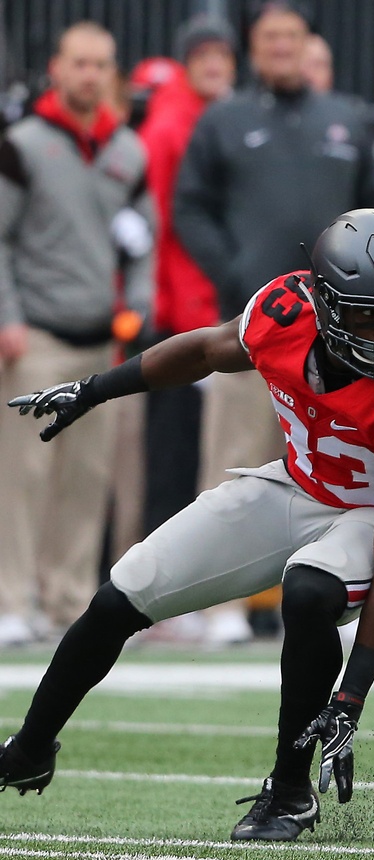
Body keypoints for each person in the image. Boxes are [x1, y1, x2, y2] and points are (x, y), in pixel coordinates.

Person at [0, 209, 374, 842]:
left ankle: (291, 790)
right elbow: (203, 350)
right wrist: (94, 390)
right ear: (326, 303)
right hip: (298, 485)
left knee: (308, 589)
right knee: (127, 590)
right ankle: (29, 748)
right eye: (369, 315)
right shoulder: (285, 312)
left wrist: (352, 696)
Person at [175, 1, 374, 643]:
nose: (283, 47)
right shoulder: (223, 119)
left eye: (293, 36)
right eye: (271, 37)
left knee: (345, 464)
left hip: (342, 338)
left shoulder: (348, 118)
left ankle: (348, 598)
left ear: (307, 42)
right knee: (234, 465)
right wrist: (235, 273)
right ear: (253, 48)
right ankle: (219, 610)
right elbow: (189, 208)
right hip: (255, 328)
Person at [0, 21, 155, 645]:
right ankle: (13, 599)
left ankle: (67, 601)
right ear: (58, 69)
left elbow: (145, 241)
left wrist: (139, 305)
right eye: (80, 63)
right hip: (35, 334)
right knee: (22, 478)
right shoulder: (23, 145)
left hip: (100, 344)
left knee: (87, 479)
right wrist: (7, 317)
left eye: (101, 65)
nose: (90, 75)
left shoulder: (127, 151)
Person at [138, 14, 237, 540]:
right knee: (175, 452)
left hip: (203, 305)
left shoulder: (211, 118)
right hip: (182, 311)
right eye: (205, 55)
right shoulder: (172, 125)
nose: (216, 64)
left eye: (223, 55)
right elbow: (161, 226)